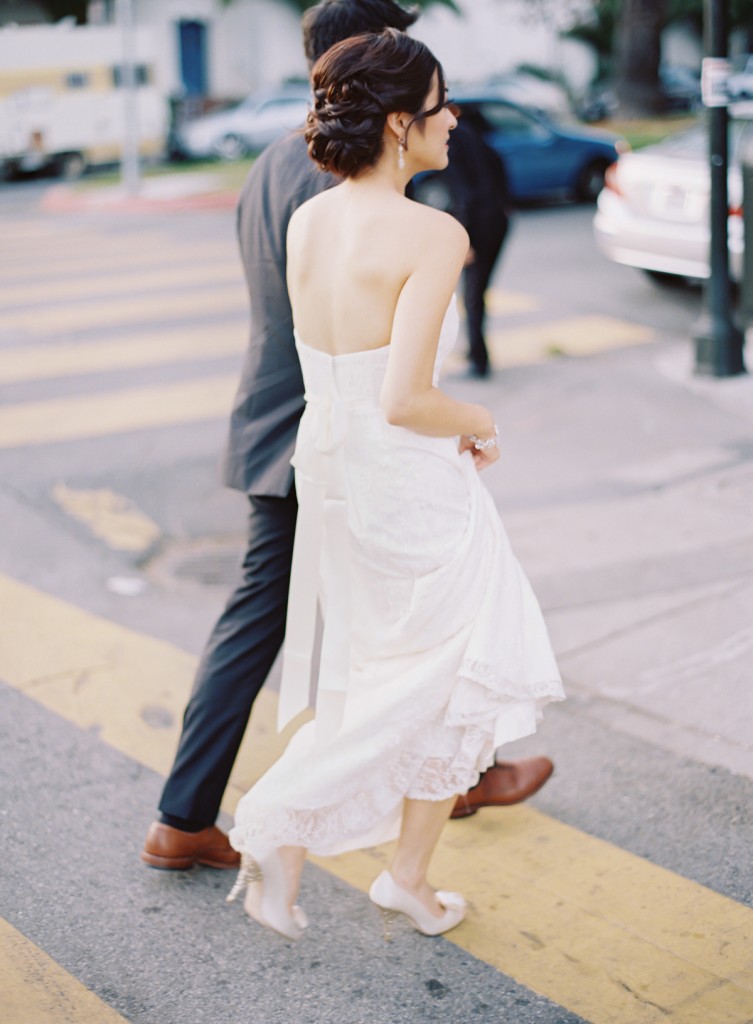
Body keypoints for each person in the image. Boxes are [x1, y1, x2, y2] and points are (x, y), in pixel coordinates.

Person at [141, 0, 554, 875]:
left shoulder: (267, 165)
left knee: (289, 618)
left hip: (272, 418)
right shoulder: (348, 177)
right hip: (333, 433)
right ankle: (445, 780)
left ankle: (189, 813)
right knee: (412, 616)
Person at [412, 106, 512, 377]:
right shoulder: (476, 136)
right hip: (498, 220)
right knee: (478, 292)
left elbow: (462, 195)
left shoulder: (451, 146)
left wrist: (464, 239)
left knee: (472, 295)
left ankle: (479, 360)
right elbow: (500, 168)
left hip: (477, 224)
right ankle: (475, 352)